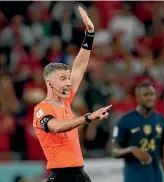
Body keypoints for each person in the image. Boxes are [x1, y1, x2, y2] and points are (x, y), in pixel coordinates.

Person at [33, 6, 112, 182]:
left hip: (80, 174)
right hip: (61, 176)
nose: (69, 82)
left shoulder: (66, 101)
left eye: (69, 79)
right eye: (63, 78)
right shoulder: (41, 109)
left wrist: (89, 35)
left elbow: (80, 66)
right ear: (49, 82)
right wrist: (88, 118)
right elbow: (56, 127)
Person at [111, 82, 164, 182]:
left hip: (156, 177)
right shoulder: (124, 120)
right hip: (134, 178)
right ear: (137, 97)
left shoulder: (162, 121)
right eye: (145, 95)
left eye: (152, 94)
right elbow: (114, 151)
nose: (150, 98)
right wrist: (130, 150)